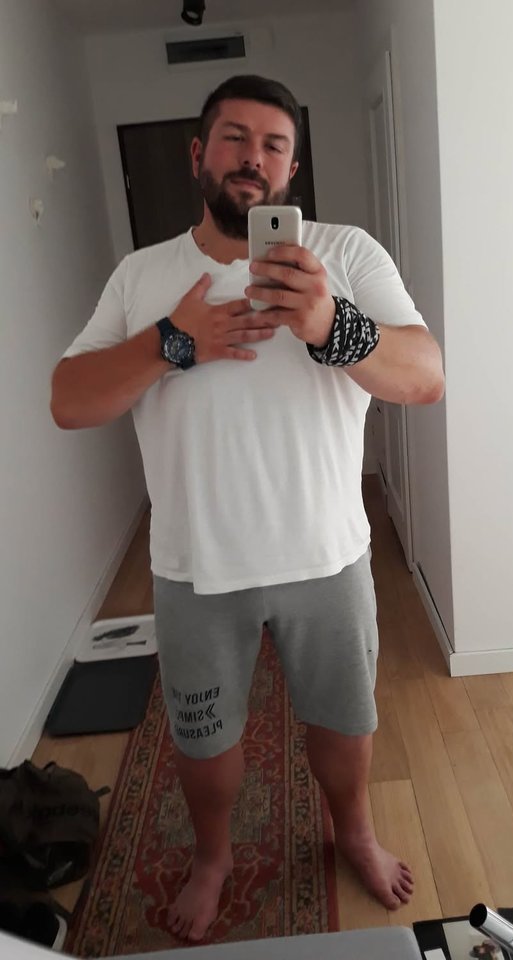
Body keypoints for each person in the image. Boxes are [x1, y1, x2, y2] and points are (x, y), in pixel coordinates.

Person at [50, 74, 445, 943]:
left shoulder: (345, 254)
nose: (252, 158)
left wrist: (333, 325)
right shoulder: (143, 275)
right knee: (204, 742)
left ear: (292, 169)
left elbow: (425, 377)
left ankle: (355, 832)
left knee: (345, 722)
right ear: (199, 153)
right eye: (234, 137)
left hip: (328, 556)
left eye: (273, 145)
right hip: (196, 567)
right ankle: (212, 857)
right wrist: (172, 342)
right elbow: (70, 401)